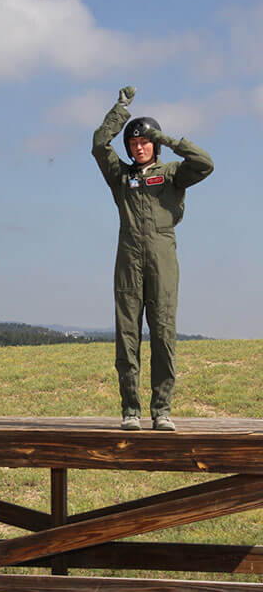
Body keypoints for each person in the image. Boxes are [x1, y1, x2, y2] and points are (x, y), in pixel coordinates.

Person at [92, 86, 214, 431]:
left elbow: (205, 164)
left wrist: (167, 137)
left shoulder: (173, 174)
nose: (138, 147)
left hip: (162, 254)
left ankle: (161, 411)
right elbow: (100, 144)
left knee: (162, 333)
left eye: (144, 142)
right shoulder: (121, 178)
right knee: (128, 335)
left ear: (154, 145)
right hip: (128, 256)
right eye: (133, 144)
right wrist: (121, 110)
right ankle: (130, 411)